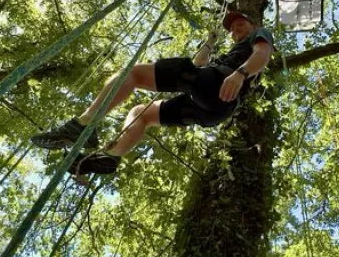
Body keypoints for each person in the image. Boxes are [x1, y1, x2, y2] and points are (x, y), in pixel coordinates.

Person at [31, 9, 275, 175]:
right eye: (232, 28)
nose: (235, 28)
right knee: (141, 113)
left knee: (133, 74)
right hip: (211, 108)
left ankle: (83, 123)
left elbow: (262, 54)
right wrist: (210, 43)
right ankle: (112, 156)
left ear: (253, 24)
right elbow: (199, 63)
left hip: (219, 84)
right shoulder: (231, 50)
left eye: (240, 23)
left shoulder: (259, 34)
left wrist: (240, 73)